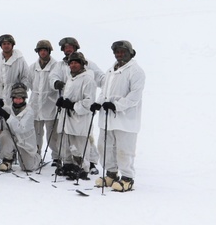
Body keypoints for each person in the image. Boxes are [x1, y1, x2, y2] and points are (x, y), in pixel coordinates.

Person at [96, 40, 145, 192]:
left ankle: (127, 178)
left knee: (124, 150)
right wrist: (99, 102)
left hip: (125, 119)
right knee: (105, 147)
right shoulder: (111, 70)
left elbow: (134, 96)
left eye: (122, 51)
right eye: (117, 51)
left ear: (130, 52)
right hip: (107, 118)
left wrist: (117, 105)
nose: (119, 54)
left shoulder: (136, 71)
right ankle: (111, 173)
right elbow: (104, 91)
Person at [53, 52, 97, 180]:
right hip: (67, 118)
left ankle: (83, 168)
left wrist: (72, 106)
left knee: (79, 144)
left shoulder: (87, 79)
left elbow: (89, 101)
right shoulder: (70, 78)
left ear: (82, 64)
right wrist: (62, 102)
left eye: (76, 62)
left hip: (80, 118)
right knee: (66, 141)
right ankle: (68, 165)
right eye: (71, 63)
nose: (73, 65)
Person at [0, 34, 30, 163]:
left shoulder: (20, 60)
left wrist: (20, 90)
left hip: (14, 97)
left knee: (13, 123)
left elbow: (25, 77)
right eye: (4, 43)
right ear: (1, 45)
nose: (6, 45)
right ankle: (4, 149)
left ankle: (13, 151)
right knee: (0, 124)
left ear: (12, 45)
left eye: (8, 43)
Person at [0, 83, 40, 172]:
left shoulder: (29, 112)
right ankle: (8, 159)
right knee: (3, 134)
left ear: (24, 99)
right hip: (12, 137)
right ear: (12, 99)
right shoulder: (8, 108)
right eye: (15, 98)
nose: (18, 101)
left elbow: (21, 128)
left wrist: (7, 116)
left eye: (20, 98)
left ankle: (36, 156)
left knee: (27, 167)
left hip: (25, 141)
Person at [29, 39, 60, 164]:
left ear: (49, 51)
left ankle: (56, 157)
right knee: (36, 133)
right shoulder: (32, 67)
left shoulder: (56, 66)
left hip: (50, 104)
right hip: (35, 104)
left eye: (45, 50)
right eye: (40, 50)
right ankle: (36, 155)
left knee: (52, 134)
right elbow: (29, 82)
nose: (42, 52)